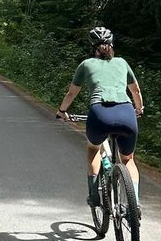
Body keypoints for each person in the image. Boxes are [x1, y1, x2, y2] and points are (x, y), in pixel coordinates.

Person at [56, 26, 143, 209]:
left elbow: (71, 93)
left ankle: (94, 195)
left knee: (93, 149)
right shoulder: (122, 63)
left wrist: (62, 111)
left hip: (99, 113)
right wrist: (139, 109)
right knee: (128, 159)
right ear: (112, 45)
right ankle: (134, 204)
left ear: (93, 47)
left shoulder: (86, 64)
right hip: (126, 112)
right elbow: (135, 91)